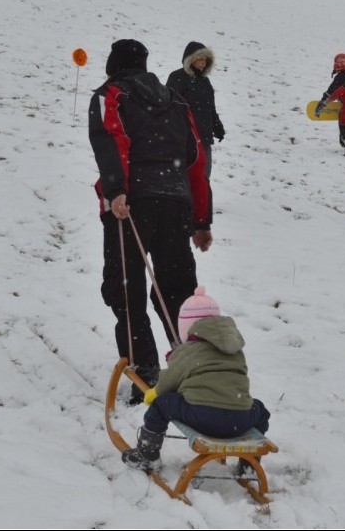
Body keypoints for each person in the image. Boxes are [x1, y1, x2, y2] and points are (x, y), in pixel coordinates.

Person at [89, 39, 214, 403]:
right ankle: (190, 366)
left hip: (131, 203)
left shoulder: (111, 93)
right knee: (176, 288)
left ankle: (144, 369)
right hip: (175, 203)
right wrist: (201, 220)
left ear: (113, 65)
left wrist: (116, 190)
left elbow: (110, 139)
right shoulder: (176, 101)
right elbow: (194, 160)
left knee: (125, 287)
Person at [122, 287, 271, 470]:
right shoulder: (235, 349)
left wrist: (154, 393)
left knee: (162, 403)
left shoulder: (188, 351)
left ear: (186, 327)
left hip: (203, 417)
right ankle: (249, 462)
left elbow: (169, 381)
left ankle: (147, 454)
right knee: (261, 409)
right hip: (239, 419)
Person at [165, 41, 225, 179]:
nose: (203, 62)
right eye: (200, 58)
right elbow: (169, 105)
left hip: (204, 139)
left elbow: (210, 108)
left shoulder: (205, 81)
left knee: (203, 180)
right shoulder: (177, 77)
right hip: (184, 139)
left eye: (205, 59)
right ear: (191, 59)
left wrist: (217, 126)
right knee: (183, 180)